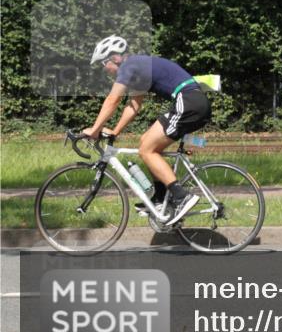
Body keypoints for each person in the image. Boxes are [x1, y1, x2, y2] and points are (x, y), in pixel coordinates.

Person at [82, 35, 212, 225]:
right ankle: (160, 199)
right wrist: (115, 131)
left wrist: (95, 129)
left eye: (104, 63)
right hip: (191, 102)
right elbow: (133, 106)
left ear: (115, 58)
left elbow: (113, 100)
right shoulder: (138, 68)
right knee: (146, 142)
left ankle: (182, 196)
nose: (104, 68)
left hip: (188, 102)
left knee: (146, 150)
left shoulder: (129, 66)